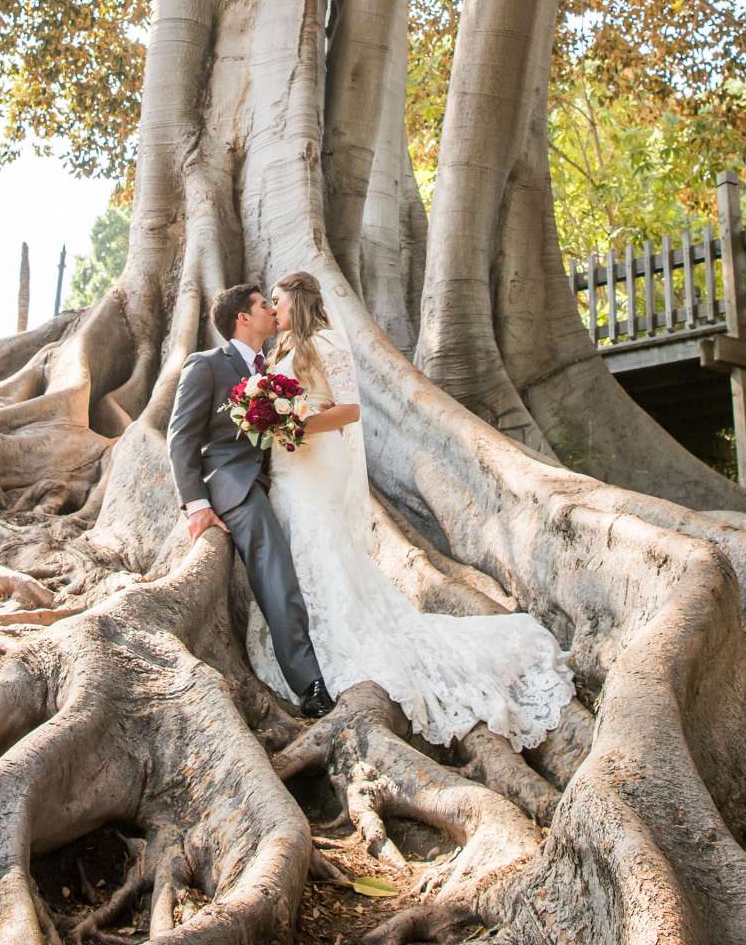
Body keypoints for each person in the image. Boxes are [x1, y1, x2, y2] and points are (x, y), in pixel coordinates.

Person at [255, 270, 574, 750]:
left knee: (316, 539)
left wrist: (297, 418)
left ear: (296, 301)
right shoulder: (280, 351)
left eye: (276, 301)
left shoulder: (327, 344)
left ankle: (330, 643)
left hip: (315, 460)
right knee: (292, 541)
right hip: (285, 465)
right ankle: (296, 640)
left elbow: (349, 411)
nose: (272, 309)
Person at [168, 279, 334, 719]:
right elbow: (181, 437)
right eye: (264, 305)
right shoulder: (206, 365)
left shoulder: (276, 366)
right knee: (275, 570)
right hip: (234, 484)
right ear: (243, 318)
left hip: (283, 478)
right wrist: (197, 505)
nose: (272, 312)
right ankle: (311, 685)